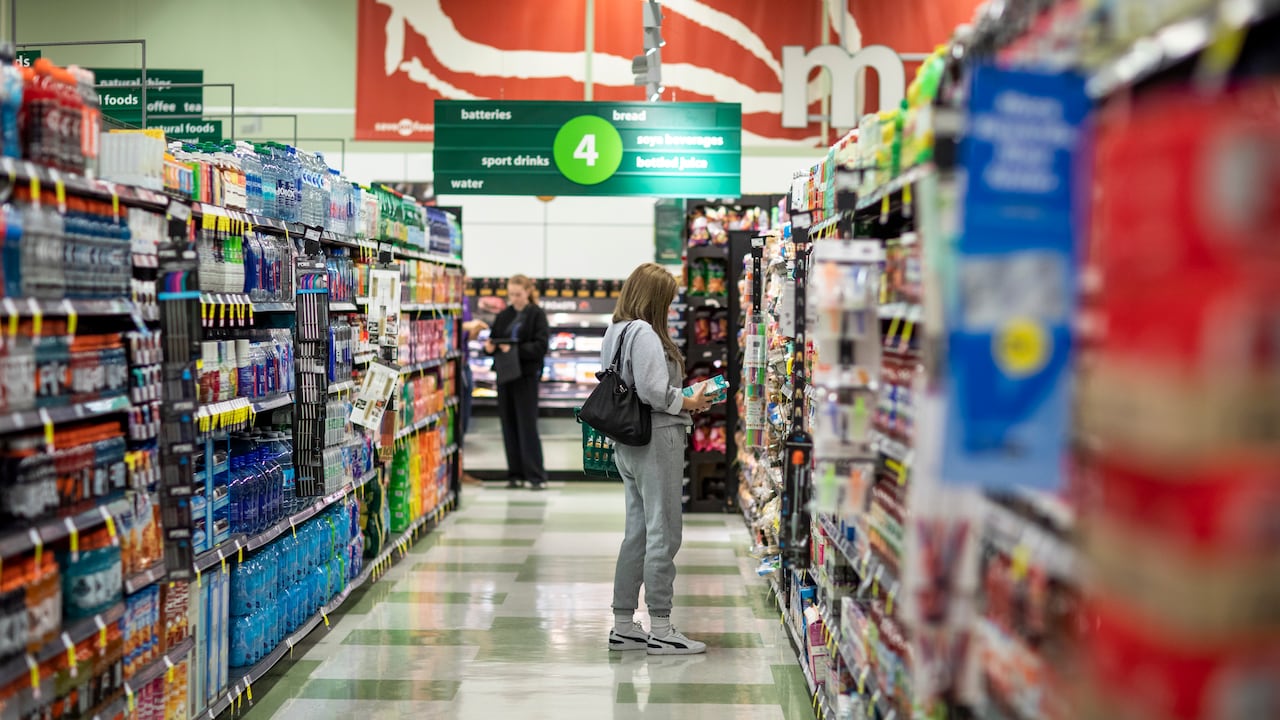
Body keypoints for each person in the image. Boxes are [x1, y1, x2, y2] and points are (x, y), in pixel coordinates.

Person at [603, 263, 712, 656]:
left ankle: (622, 624)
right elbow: (653, 392)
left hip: (628, 442)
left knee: (637, 532)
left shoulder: (615, 329)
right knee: (664, 531)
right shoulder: (646, 333)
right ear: (655, 299)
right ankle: (661, 627)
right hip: (657, 439)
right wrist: (690, 401)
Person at [484, 274, 550, 490]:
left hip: (526, 376)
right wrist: (491, 348)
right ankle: (515, 474)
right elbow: (493, 339)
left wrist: (515, 350)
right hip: (505, 375)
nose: (515, 298)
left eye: (518, 294)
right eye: (511, 294)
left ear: (528, 292)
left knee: (527, 425)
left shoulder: (536, 315)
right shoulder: (504, 315)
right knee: (508, 425)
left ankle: (535, 475)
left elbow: (540, 347)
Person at [459, 271, 488, 486]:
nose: (467, 282)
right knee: (457, 422)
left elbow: (468, 337)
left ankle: (461, 468)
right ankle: (457, 470)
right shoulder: (450, 299)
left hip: (464, 366)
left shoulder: (465, 300)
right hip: (454, 367)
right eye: (463, 279)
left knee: (464, 421)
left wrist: (474, 329)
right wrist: (469, 326)